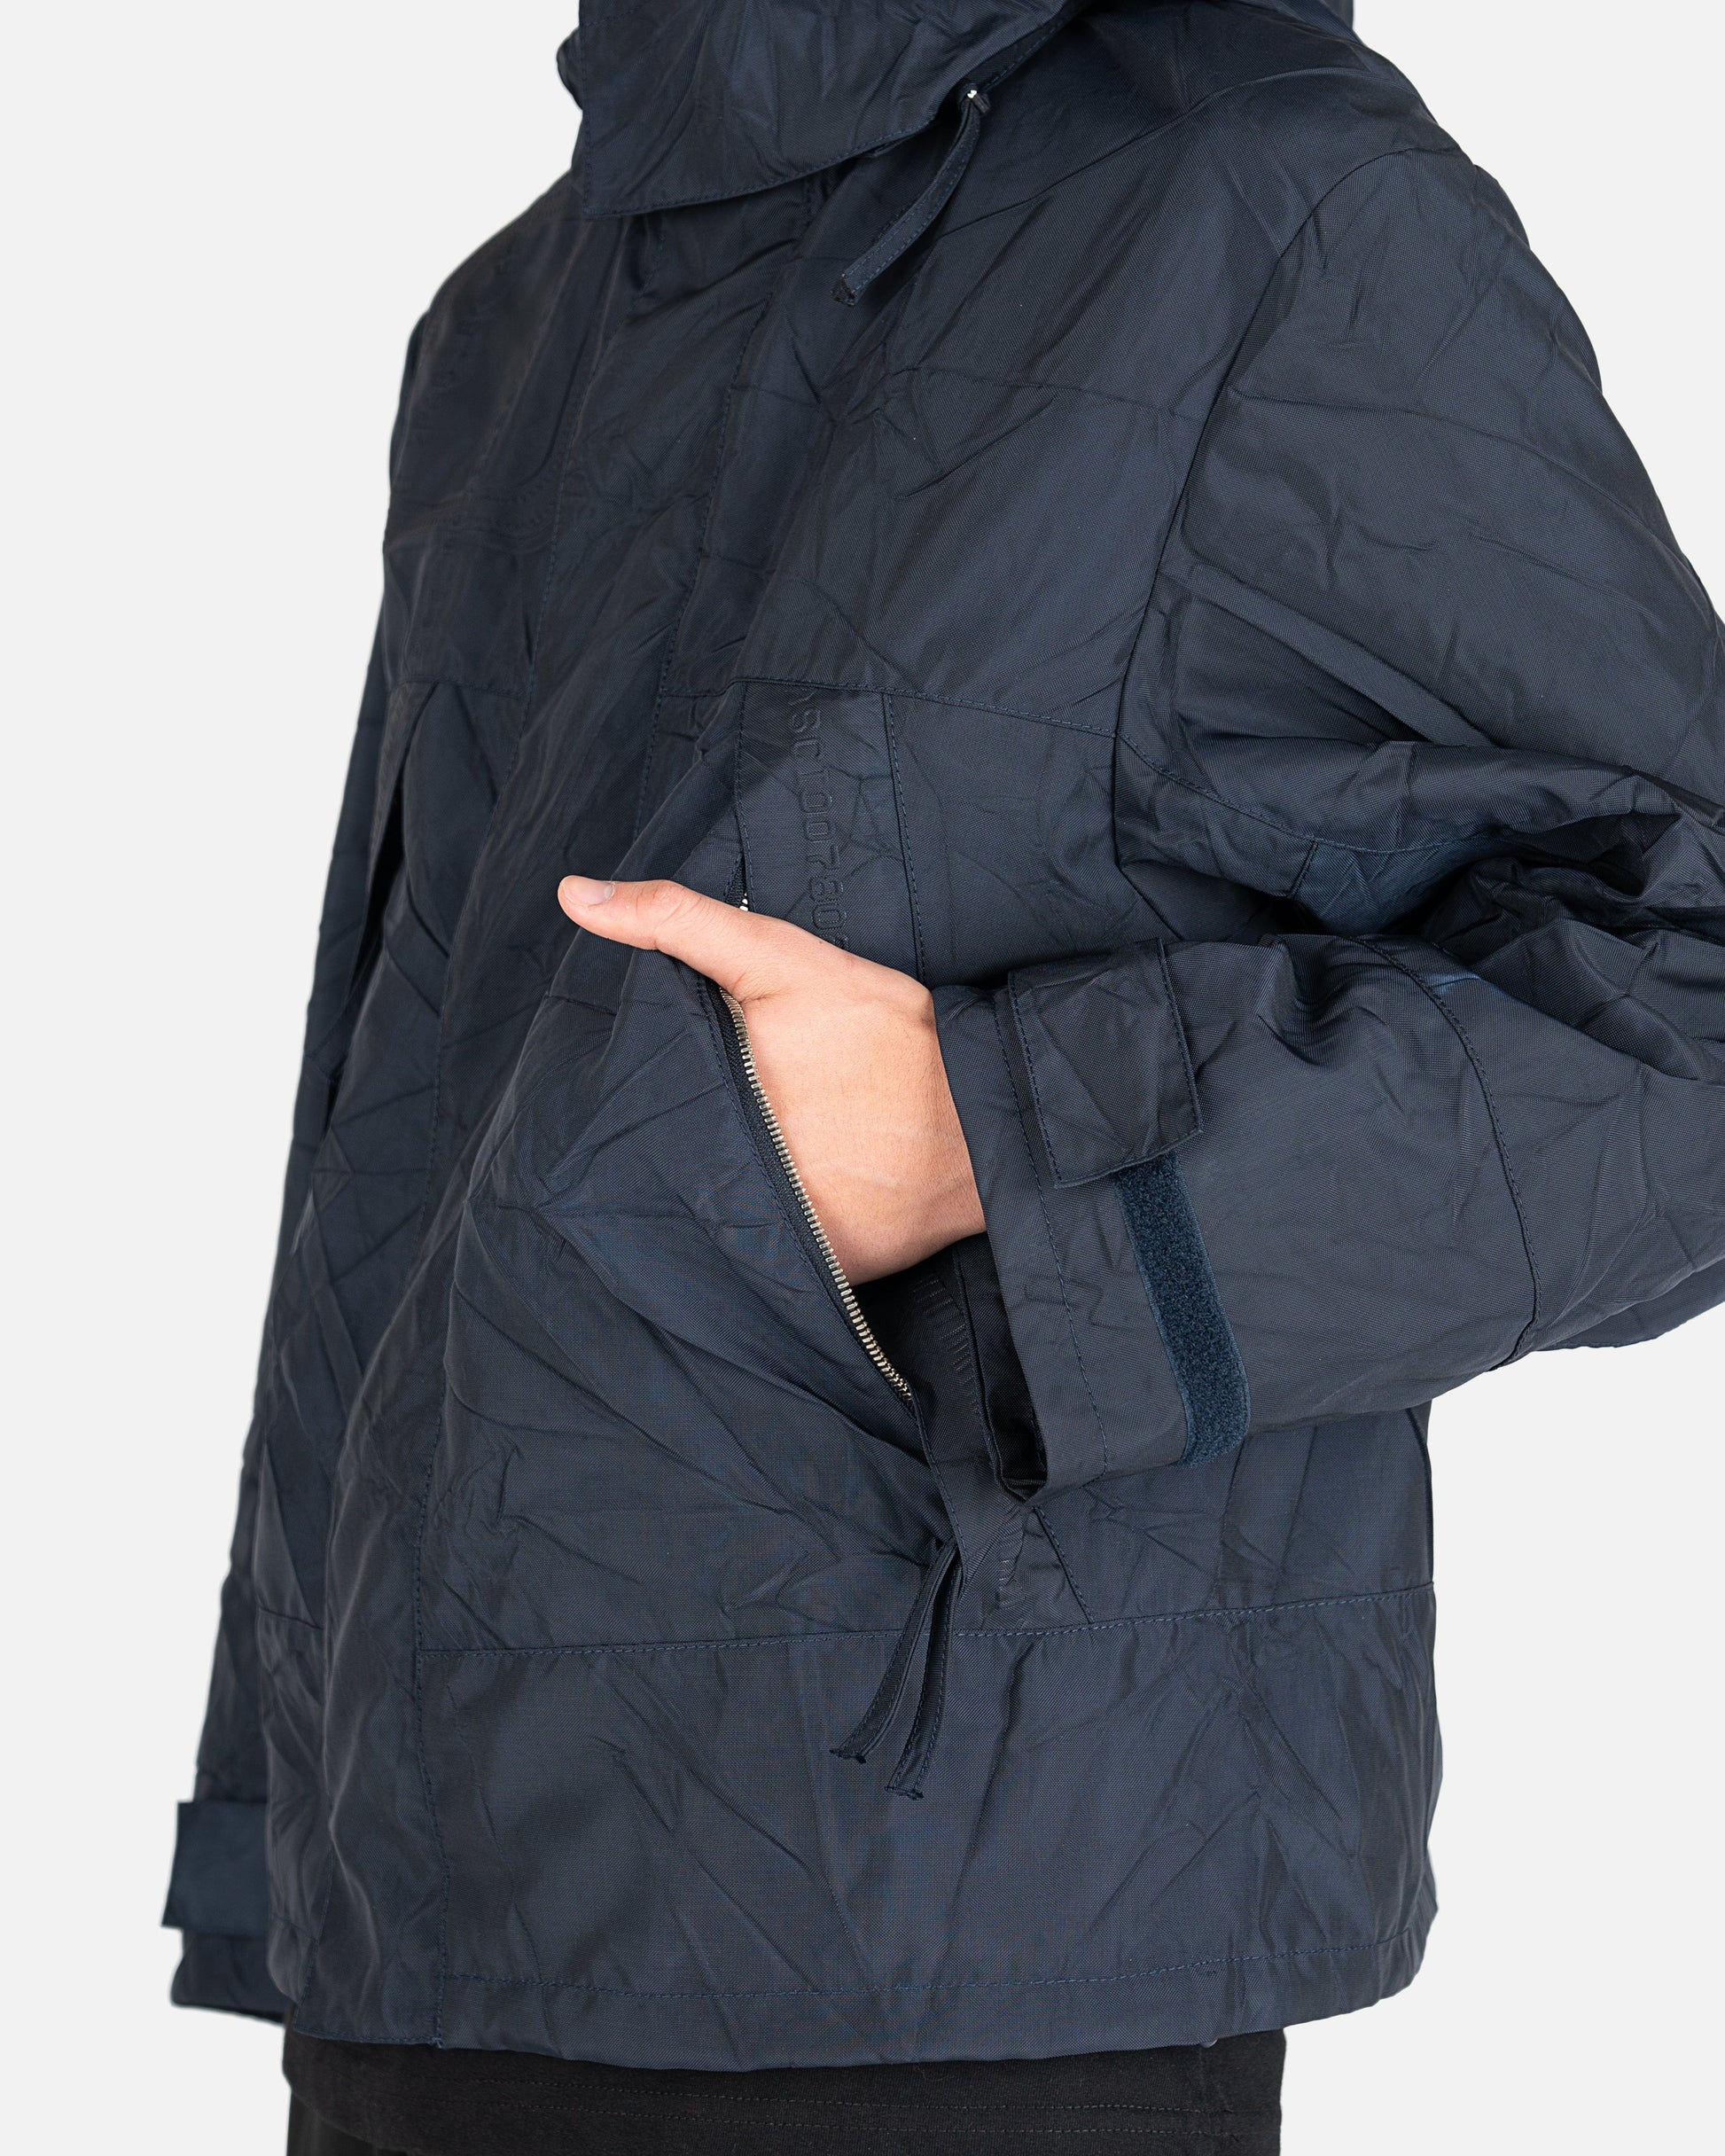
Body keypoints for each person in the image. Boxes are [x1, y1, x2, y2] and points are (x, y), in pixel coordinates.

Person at [161, 4, 1725, 2152]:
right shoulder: (514, 315)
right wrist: (289, 1832)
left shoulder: (1259, 200)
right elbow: (390, 1145)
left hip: (953, 1944)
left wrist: (1004, 1150)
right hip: (423, 1936)